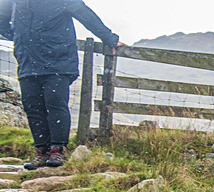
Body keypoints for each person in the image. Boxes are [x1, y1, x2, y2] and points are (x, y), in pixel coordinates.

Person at [0, 0, 123, 169]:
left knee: (55, 103)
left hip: (58, 61)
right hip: (28, 61)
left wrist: (110, 39)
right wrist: (22, 38)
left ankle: (58, 150)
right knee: (32, 106)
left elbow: (86, 16)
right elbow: (1, 21)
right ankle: (41, 152)